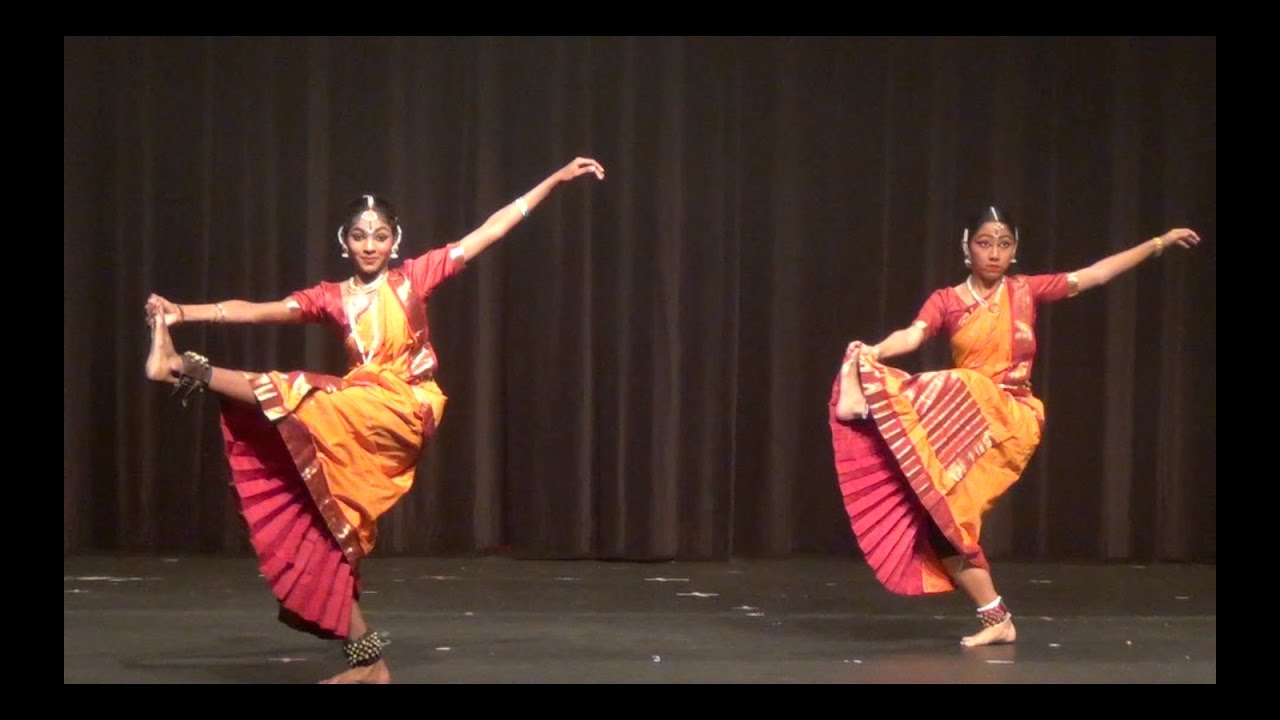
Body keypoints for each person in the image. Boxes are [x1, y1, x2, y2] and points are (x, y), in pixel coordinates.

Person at [143, 156, 607, 683]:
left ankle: (181, 366)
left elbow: (491, 228)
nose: (370, 245)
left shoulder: (414, 280)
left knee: (297, 390)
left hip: (403, 405)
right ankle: (370, 664)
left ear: (395, 241)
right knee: (328, 525)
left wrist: (554, 179)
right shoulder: (333, 299)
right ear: (345, 242)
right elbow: (257, 309)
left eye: (380, 235)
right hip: (359, 416)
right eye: (360, 236)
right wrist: (183, 311)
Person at [828, 206, 1201, 647]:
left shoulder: (1025, 290)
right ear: (967, 246)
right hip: (968, 422)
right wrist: (875, 350)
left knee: (966, 382)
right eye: (985, 243)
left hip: (1012, 414)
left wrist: (1158, 242)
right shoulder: (947, 300)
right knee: (944, 520)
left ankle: (873, 404)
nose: (994, 253)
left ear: (1015, 249)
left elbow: (1095, 275)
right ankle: (997, 619)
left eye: (1004, 244)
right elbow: (912, 335)